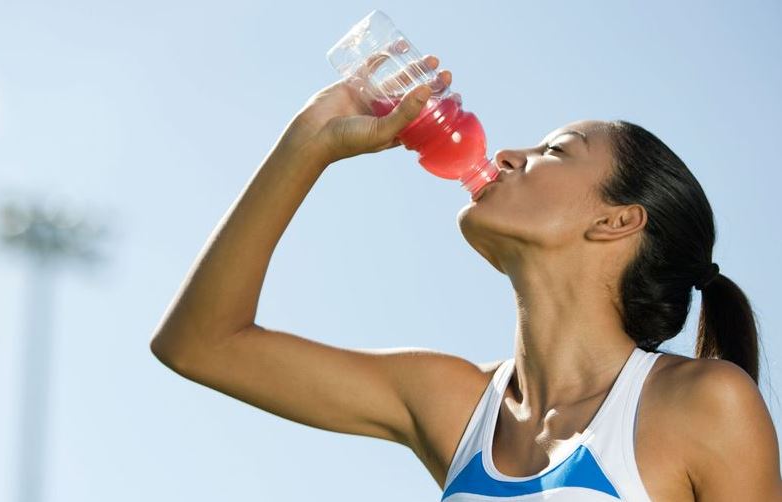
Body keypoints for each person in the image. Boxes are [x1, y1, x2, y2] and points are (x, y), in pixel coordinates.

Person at [149, 54, 782, 501]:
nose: (508, 154)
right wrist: (311, 140)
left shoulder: (702, 403)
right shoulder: (453, 403)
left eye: (555, 150)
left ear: (617, 221)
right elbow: (200, 344)